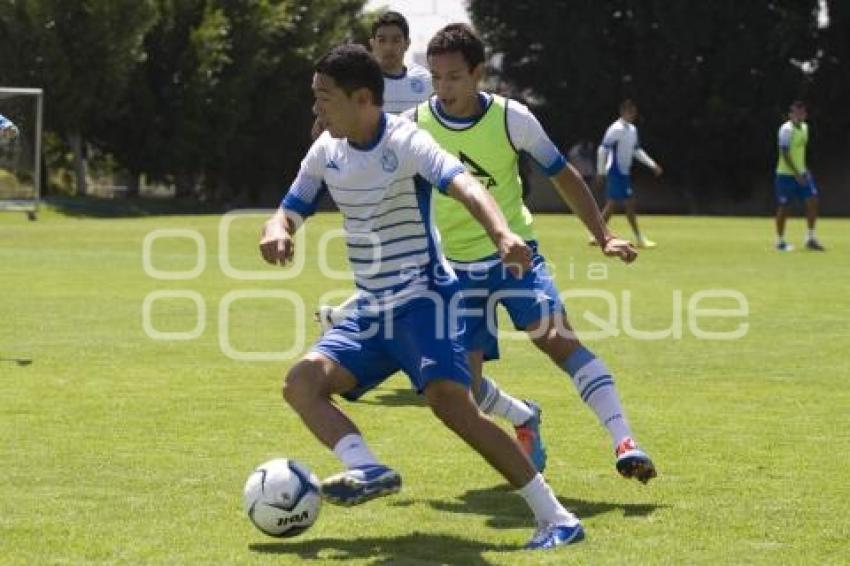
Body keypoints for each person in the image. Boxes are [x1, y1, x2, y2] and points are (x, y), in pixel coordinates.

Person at [260, 44, 584, 550]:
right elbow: (289, 207)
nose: (316, 110)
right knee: (302, 383)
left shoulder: (406, 141)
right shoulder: (325, 152)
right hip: (372, 309)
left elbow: (466, 187)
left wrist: (502, 235)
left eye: (324, 99)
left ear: (363, 98)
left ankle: (556, 517)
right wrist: (278, 230)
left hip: (425, 300)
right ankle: (366, 467)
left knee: (451, 404)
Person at [411, 24, 656, 484]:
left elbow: (564, 176)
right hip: (452, 274)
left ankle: (625, 441)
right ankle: (524, 416)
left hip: (515, 257)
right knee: (463, 391)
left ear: (479, 73)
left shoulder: (512, 118)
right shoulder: (414, 125)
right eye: (436, 78)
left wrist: (603, 235)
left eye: (454, 77)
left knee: (559, 341)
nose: (443, 89)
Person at [310, 11, 430, 139]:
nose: (388, 47)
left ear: (407, 44)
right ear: (372, 44)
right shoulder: (356, 82)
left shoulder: (425, 80)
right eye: (382, 40)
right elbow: (321, 132)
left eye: (396, 40)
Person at [595, 99, 663, 249]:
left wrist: (652, 164)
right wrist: (600, 172)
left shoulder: (632, 130)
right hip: (615, 171)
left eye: (634, 112)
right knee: (627, 203)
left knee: (612, 205)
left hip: (624, 172)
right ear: (623, 112)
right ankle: (639, 238)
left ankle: (596, 234)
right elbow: (603, 149)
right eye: (629, 112)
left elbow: (636, 150)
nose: (632, 115)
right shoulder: (615, 129)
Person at [774, 101, 825, 251]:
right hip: (785, 175)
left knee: (813, 201)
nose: (799, 115)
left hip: (802, 174)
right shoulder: (786, 130)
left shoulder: (805, 128)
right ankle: (780, 241)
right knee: (784, 207)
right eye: (796, 113)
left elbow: (800, 153)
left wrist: (804, 170)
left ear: (805, 114)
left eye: (801, 113)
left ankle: (810, 237)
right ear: (791, 114)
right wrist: (796, 173)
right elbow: (784, 153)